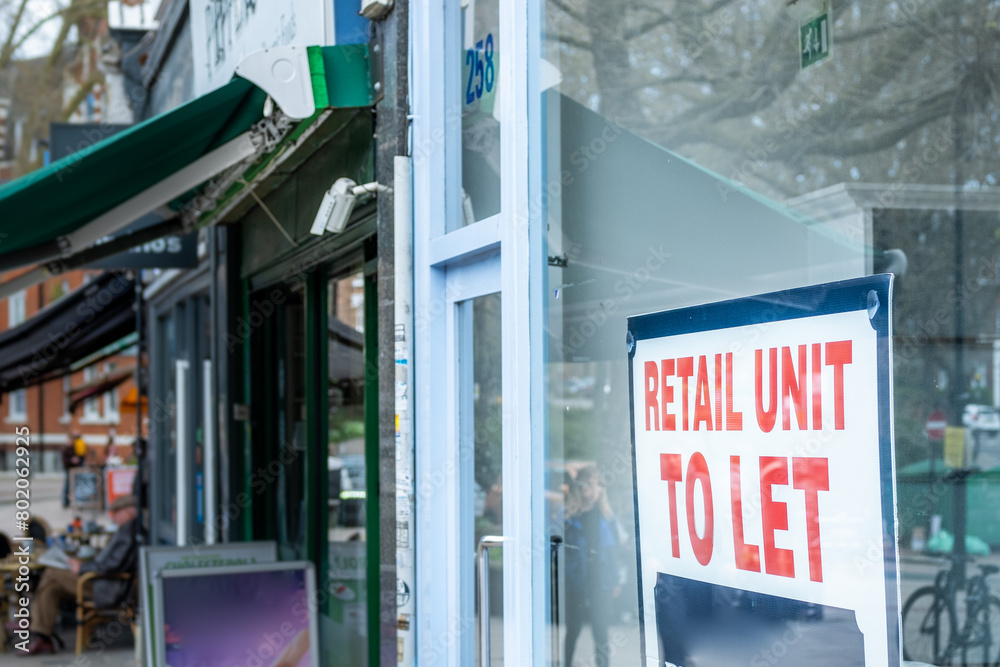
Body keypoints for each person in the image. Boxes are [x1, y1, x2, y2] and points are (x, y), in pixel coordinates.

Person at [14, 495, 139, 655]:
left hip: (108, 586)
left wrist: (82, 567)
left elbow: (111, 566)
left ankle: (33, 625)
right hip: (104, 581)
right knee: (51, 588)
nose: (112, 517)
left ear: (128, 512)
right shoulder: (127, 530)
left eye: (116, 512)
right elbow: (111, 561)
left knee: (51, 574)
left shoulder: (128, 533)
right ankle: (42, 636)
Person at [564, 465, 625, 667]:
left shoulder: (607, 518)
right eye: (587, 485)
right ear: (579, 488)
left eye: (595, 485)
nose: (591, 489)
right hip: (576, 581)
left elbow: (615, 551)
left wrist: (616, 580)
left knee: (601, 630)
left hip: (602, 581)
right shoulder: (569, 518)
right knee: (573, 629)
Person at [61, 433, 86, 508]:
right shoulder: (65, 449)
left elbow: (81, 455)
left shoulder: (74, 448)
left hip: (74, 469)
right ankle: (65, 501)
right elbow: (65, 460)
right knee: (67, 486)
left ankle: (73, 501)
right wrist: (71, 460)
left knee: (74, 486)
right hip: (68, 469)